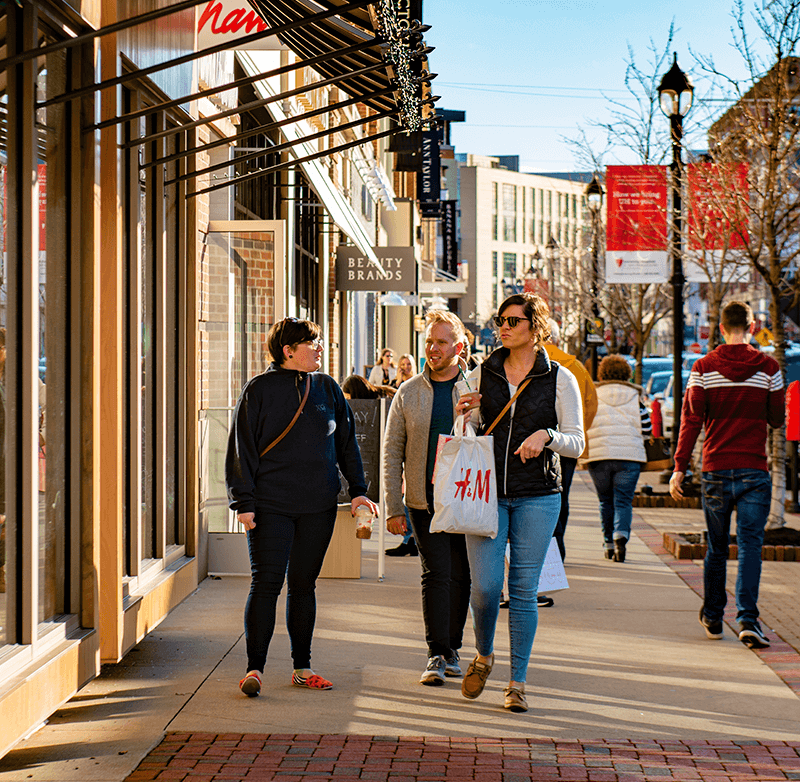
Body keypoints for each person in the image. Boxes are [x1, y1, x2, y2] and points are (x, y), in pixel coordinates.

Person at [226, 317, 378, 697]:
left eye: (320, 341)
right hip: (269, 506)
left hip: (318, 506)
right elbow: (241, 448)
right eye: (312, 343)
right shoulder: (258, 390)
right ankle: (254, 669)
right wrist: (243, 502)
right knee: (266, 584)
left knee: (303, 585)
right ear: (288, 351)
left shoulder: (327, 388)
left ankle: (301, 666)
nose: (320, 348)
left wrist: (358, 490)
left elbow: (347, 445)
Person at [456, 293, 584, 713]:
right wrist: (467, 411)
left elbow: (577, 441)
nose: (503, 327)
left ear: (535, 326)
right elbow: (467, 429)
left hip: (538, 495)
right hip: (485, 491)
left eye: (513, 320)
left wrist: (547, 437)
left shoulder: (559, 378)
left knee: (524, 591)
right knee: (486, 587)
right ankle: (484, 654)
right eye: (500, 320)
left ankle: (517, 683)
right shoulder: (482, 372)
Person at [669, 301, 784, 649]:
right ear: (752, 326)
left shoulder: (703, 368)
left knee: (717, 548)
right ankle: (748, 619)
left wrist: (679, 466)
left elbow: (691, 421)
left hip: (716, 468)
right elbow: (777, 418)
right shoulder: (769, 368)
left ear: (720, 328)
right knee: (751, 546)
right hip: (753, 469)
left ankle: (714, 617)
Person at [382, 310, 472, 686]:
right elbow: (391, 450)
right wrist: (392, 505)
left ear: (460, 346)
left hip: (467, 498)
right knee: (435, 572)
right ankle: (437, 652)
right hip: (423, 498)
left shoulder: (475, 388)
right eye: (429, 343)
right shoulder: (409, 391)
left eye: (441, 342)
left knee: (463, 575)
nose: (433, 349)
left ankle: (453, 646)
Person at [583, 354, 651, 563]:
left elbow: (586, 423)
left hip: (599, 456)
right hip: (629, 458)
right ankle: (621, 535)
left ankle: (608, 543)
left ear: (602, 373)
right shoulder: (635, 397)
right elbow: (647, 428)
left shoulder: (594, 395)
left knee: (605, 501)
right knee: (623, 501)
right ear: (627, 374)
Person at [544, 319, 598, 562]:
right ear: (555, 339)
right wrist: (579, 431)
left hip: (538, 442)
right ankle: (558, 549)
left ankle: (544, 550)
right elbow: (590, 403)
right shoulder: (575, 366)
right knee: (560, 497)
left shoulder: (523, 363)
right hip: (566, 444)